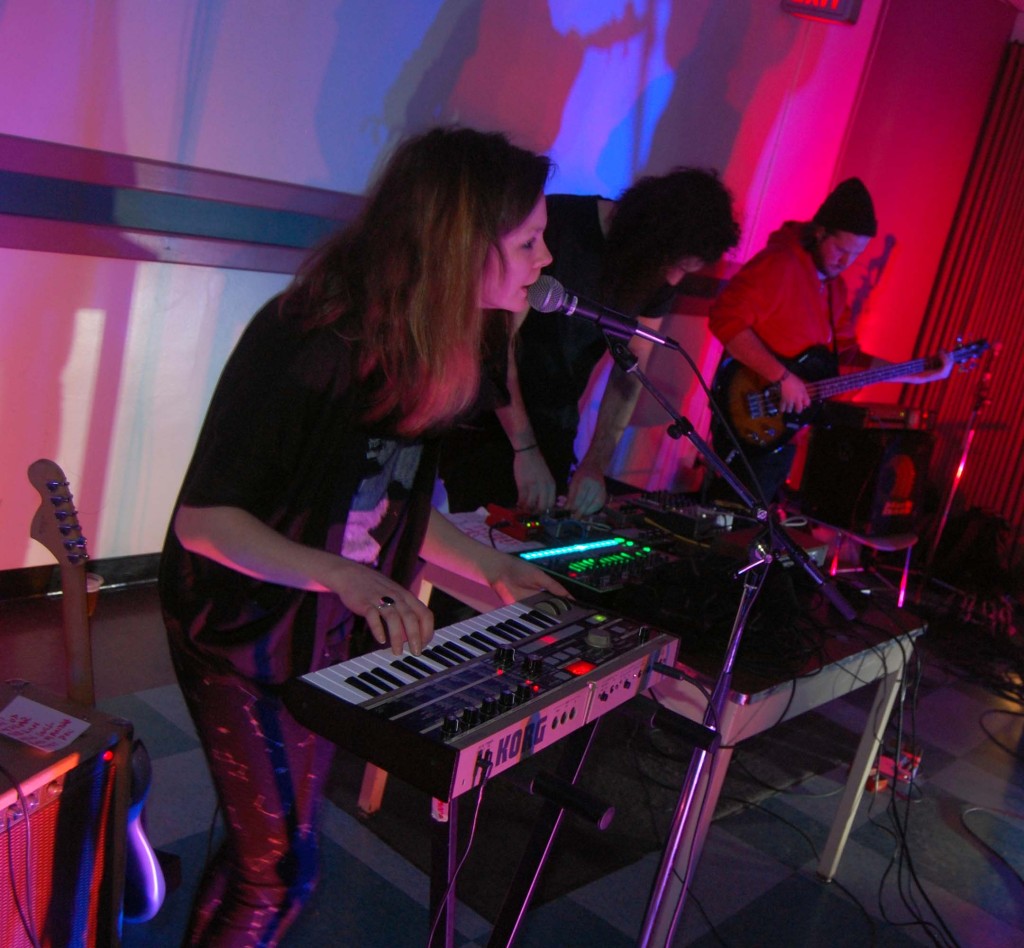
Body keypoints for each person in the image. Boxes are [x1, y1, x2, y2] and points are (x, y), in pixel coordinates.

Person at [157, 126, 569, 947]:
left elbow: (393, 511)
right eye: (527, 239)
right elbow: (203, 522)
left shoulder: (438, 342)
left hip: (319, 620)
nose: (547, 258)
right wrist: (345, 578)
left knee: (270, 856)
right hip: (239, 625)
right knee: (280, 872)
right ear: (459, 244)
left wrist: (490, 568)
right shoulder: (312, 339)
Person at [439, 168, 741, 517]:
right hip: (488, 420)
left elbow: (630, 371)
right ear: (655, 236)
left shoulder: (655, 276)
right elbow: (495, 347)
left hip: (555, 425)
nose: (674, 279)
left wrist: (596, 462)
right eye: (674, 265)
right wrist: (524, 450)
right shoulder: (560, 227)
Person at [707, 177, 953, 505]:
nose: (845, 262)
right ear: (819, 232)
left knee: (753, 520)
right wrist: (781, 377)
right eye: (840, 249)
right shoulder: (780, 264)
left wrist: (914, 372)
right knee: (732, 515)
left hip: (785, 428)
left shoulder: (836, 291)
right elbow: (725, 319)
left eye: (857, 255)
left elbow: (849, 357)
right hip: (749, 408)